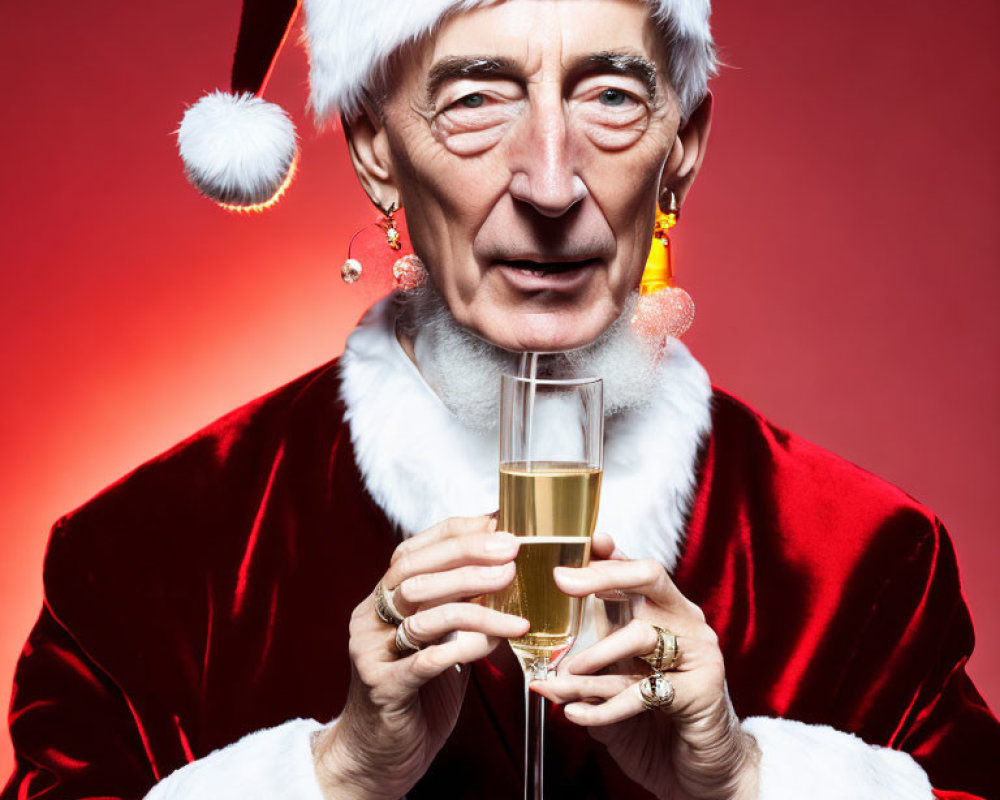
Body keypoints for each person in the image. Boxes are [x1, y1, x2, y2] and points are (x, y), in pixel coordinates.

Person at [3, 1, 998, 798]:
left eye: (611, 94)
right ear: (374, 147)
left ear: (681, 144)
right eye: (475, 99)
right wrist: (333, 774)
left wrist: (746, 781)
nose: (553, 181)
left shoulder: (867, 563)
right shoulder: (142, 563)